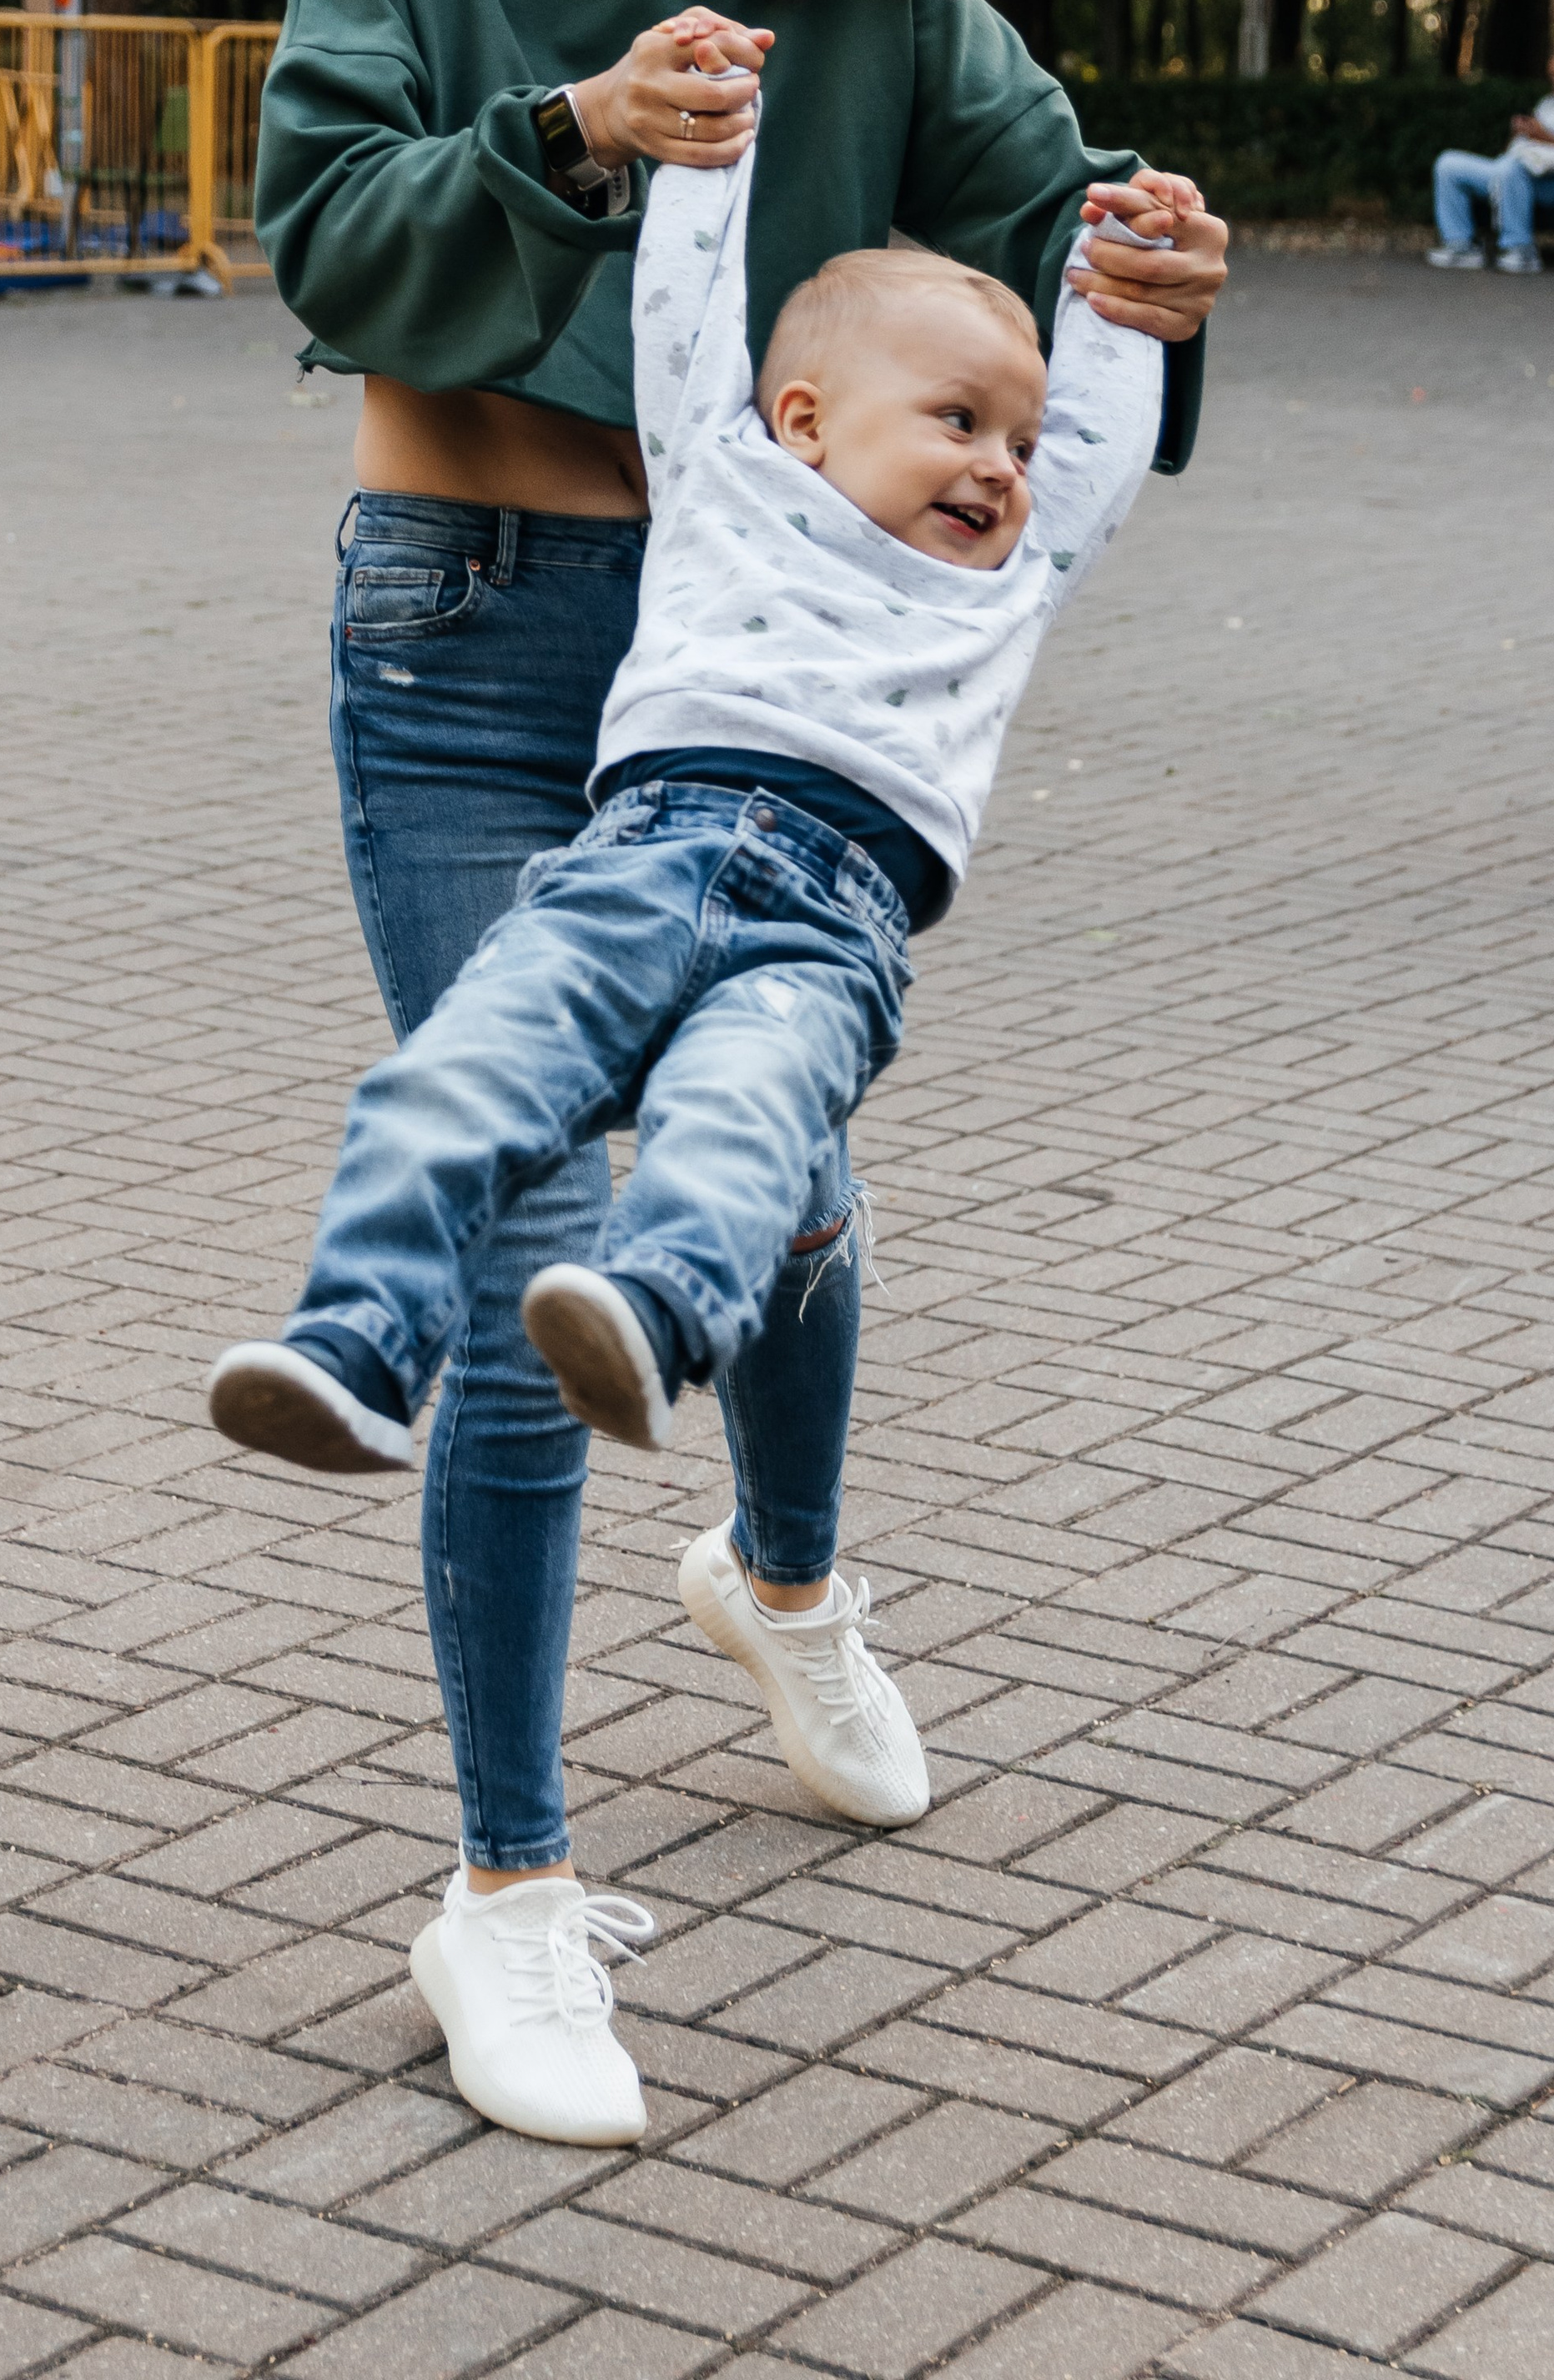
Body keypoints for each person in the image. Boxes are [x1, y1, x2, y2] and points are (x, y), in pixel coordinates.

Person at [242, 0, 1230, 2150]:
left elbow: (1056, 226)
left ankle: (780, 1581)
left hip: (760, 684)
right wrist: (578, 134)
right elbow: (325, 234)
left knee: (776, 1190)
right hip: (464, 641)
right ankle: (512, 1900)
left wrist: (1139, 274)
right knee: (527, 1245)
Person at [213, 152, 1167, 2139]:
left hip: (829, 916)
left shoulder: (1000, 580)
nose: (1000, 462)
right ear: (801, 424)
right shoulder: (731, 478)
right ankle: (355, 1338)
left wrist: (1115, 301)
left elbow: (1094, 434)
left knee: (745, 1124)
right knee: (460, 1075)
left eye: (1015, 435)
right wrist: (711, 168)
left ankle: (650, 1315)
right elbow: (679, 319)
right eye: (955, 420)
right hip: (626, 862)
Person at [1428, 48, 1554, 274]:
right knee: (1448, 163)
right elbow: (1516, 148)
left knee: (1512, 169)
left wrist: (1544, 137)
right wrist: (1520, 135)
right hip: (1512, 166)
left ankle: (1520, 249)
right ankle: (1460, 245)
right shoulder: (1549, 103)